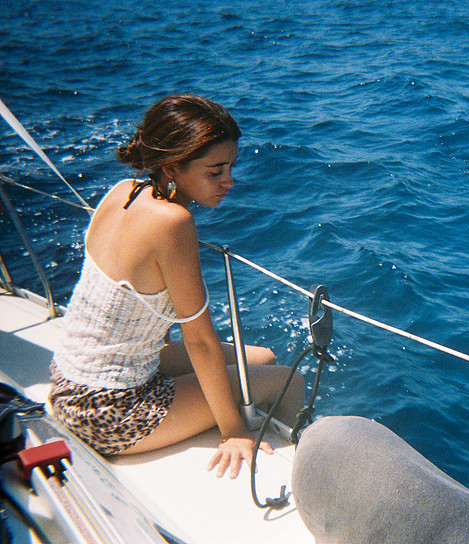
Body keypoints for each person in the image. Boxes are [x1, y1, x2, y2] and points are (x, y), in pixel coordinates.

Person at [49, 94, 304, 479]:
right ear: (172, 167)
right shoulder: (173, 223)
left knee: (264, 358)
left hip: (68, 384)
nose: (228, 182)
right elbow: (199, 341)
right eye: (215, 170)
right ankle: (294, 471)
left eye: (231, 167)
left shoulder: (124, 191)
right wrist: (233, 431)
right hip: (108, 410)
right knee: (288, 379)